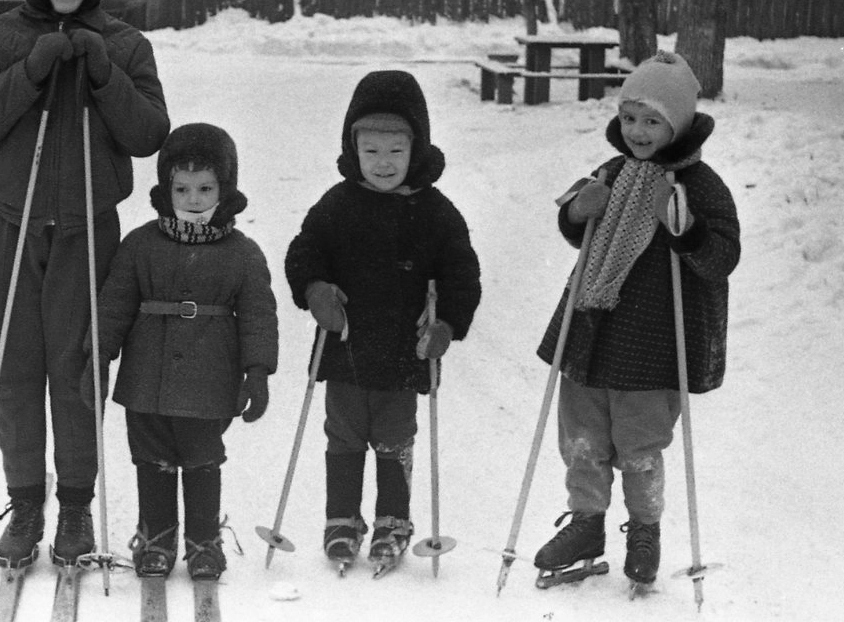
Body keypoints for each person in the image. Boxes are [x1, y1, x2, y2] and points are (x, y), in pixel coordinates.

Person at [0, 0, 170, 569]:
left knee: (75, 373)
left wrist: (102, 72)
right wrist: (33, 68)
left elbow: (147, 133)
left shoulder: (126, 44)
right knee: (14, 375)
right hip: (8, 231)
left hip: (87, 233)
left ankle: (75, 505)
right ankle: (26, 502)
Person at [532, 51, 740, 590]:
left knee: (640, 441)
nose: (638, 131)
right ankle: (585, 522)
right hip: (592, 330)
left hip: (654, 341)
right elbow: (578, 227)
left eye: (652, 120)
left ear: (679, 122)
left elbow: (722, 257)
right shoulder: (611, 171)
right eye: (629, 118)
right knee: (582, 435)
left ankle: (645, 530)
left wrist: (686, 228)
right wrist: (579, 210)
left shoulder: (703, 186)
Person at [284, 70, 481, 571]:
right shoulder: (338, 203)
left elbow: (461, 273)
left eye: (395, 150)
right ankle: (341, 520)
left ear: (416, 148)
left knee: (394, 440)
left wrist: (447, 325)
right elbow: (304, 252)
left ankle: (394, 520)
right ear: (354, 149)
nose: (383, 163)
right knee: (344, 437)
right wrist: (314, 290)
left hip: (402, 354)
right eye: (370, 151)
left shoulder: (436, 212)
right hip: (346, 347)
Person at [74, 122, 278, 581]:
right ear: (166, 187)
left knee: (203, 458)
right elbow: (113, 305)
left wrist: (258, 370)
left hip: (211, 378)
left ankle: (204, 541)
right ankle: (156, 538)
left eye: (205, 187)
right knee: (153, 460)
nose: (193, 198)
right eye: (182, 187)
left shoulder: (242, 253)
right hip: (146, 378)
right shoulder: (141, 244)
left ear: (225, 189)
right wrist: (99, 358)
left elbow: (260, 314)